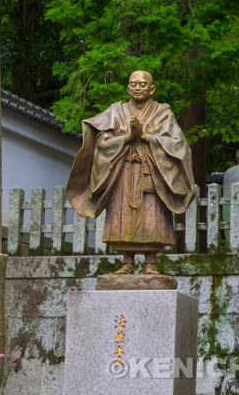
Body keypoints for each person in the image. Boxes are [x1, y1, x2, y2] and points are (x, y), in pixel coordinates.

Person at [67, 71, 195, 274]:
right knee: (121, 215)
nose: (137, 88)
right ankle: (127, 261)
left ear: (152, 89)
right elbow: (102, 142)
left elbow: (178, 145)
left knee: (153, 217)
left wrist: (145, 135)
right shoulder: (116, 112)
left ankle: (151, 263)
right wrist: (127, 137)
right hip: (122, 173)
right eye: (133, 84)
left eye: (142, 84)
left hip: (152, 173)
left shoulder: (163, 114)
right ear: (127, 88)